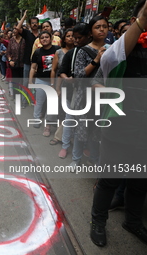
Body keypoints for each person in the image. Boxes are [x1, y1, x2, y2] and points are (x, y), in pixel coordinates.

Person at [90, 0, 147, 248]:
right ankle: (98, 221)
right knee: (109, 180)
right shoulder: (121, 49)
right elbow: (105, 69)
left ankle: (133, 222)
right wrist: (142, 19)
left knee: (141, 183)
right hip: (120, 128)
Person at [69, 15, 109, 169]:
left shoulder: (112, 48)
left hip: (102, 95)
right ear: (91, 32)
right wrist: (96, 60)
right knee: (81, 129)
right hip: (84, 96)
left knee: (96, 130)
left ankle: (94, 159)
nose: (101, 30)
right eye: (97, 27)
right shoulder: (83, 51)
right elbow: (78, 75)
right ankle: (76, 159)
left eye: (104, 26)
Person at [57, 23, 91, 159]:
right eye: (73, 37)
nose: (75, 40)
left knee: (87, 123)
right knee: (69, 120)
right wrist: (67, 80)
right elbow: (61, 72)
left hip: (89, 94)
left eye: (78, 38)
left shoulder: (97, 52)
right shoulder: (70, 53)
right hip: (71, 92)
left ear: (88, 36)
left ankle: (85, 147)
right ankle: (65, 146)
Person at [29, 30, 60, 135]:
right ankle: (36, 119)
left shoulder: (57, 50)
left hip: (54, 81)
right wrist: (30, 81)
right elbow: (33, 68)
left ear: (51, 38)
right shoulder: (37, 52)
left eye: (47, 37)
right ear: (39, 40)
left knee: (51, 103)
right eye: (42, 38)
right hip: (40, 80)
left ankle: (48, 126)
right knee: (39, 101)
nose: (44, 39)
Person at [49, 28, 74, 145]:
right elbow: (54, 70)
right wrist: (55, 86)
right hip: (62, 84)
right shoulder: (59, 52)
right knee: (62, 110)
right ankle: (59, 136)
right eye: (68, 36)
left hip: (76, 85)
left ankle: (69, 137)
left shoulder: (79, 51)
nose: (71, 38)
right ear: (64, 38)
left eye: (73, 36)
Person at [16, 10, 39, 108]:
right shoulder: (27, 33)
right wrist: (24, 17)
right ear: (29, 24)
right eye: (32, 23)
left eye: (36, 23)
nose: (34, 24)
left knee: (37, 82)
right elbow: (17, 28)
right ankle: (24, 101)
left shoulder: (42, 35)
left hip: (39, 63)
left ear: (38, 24)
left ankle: (35, 101)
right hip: (27, 62)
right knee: (26, 82)